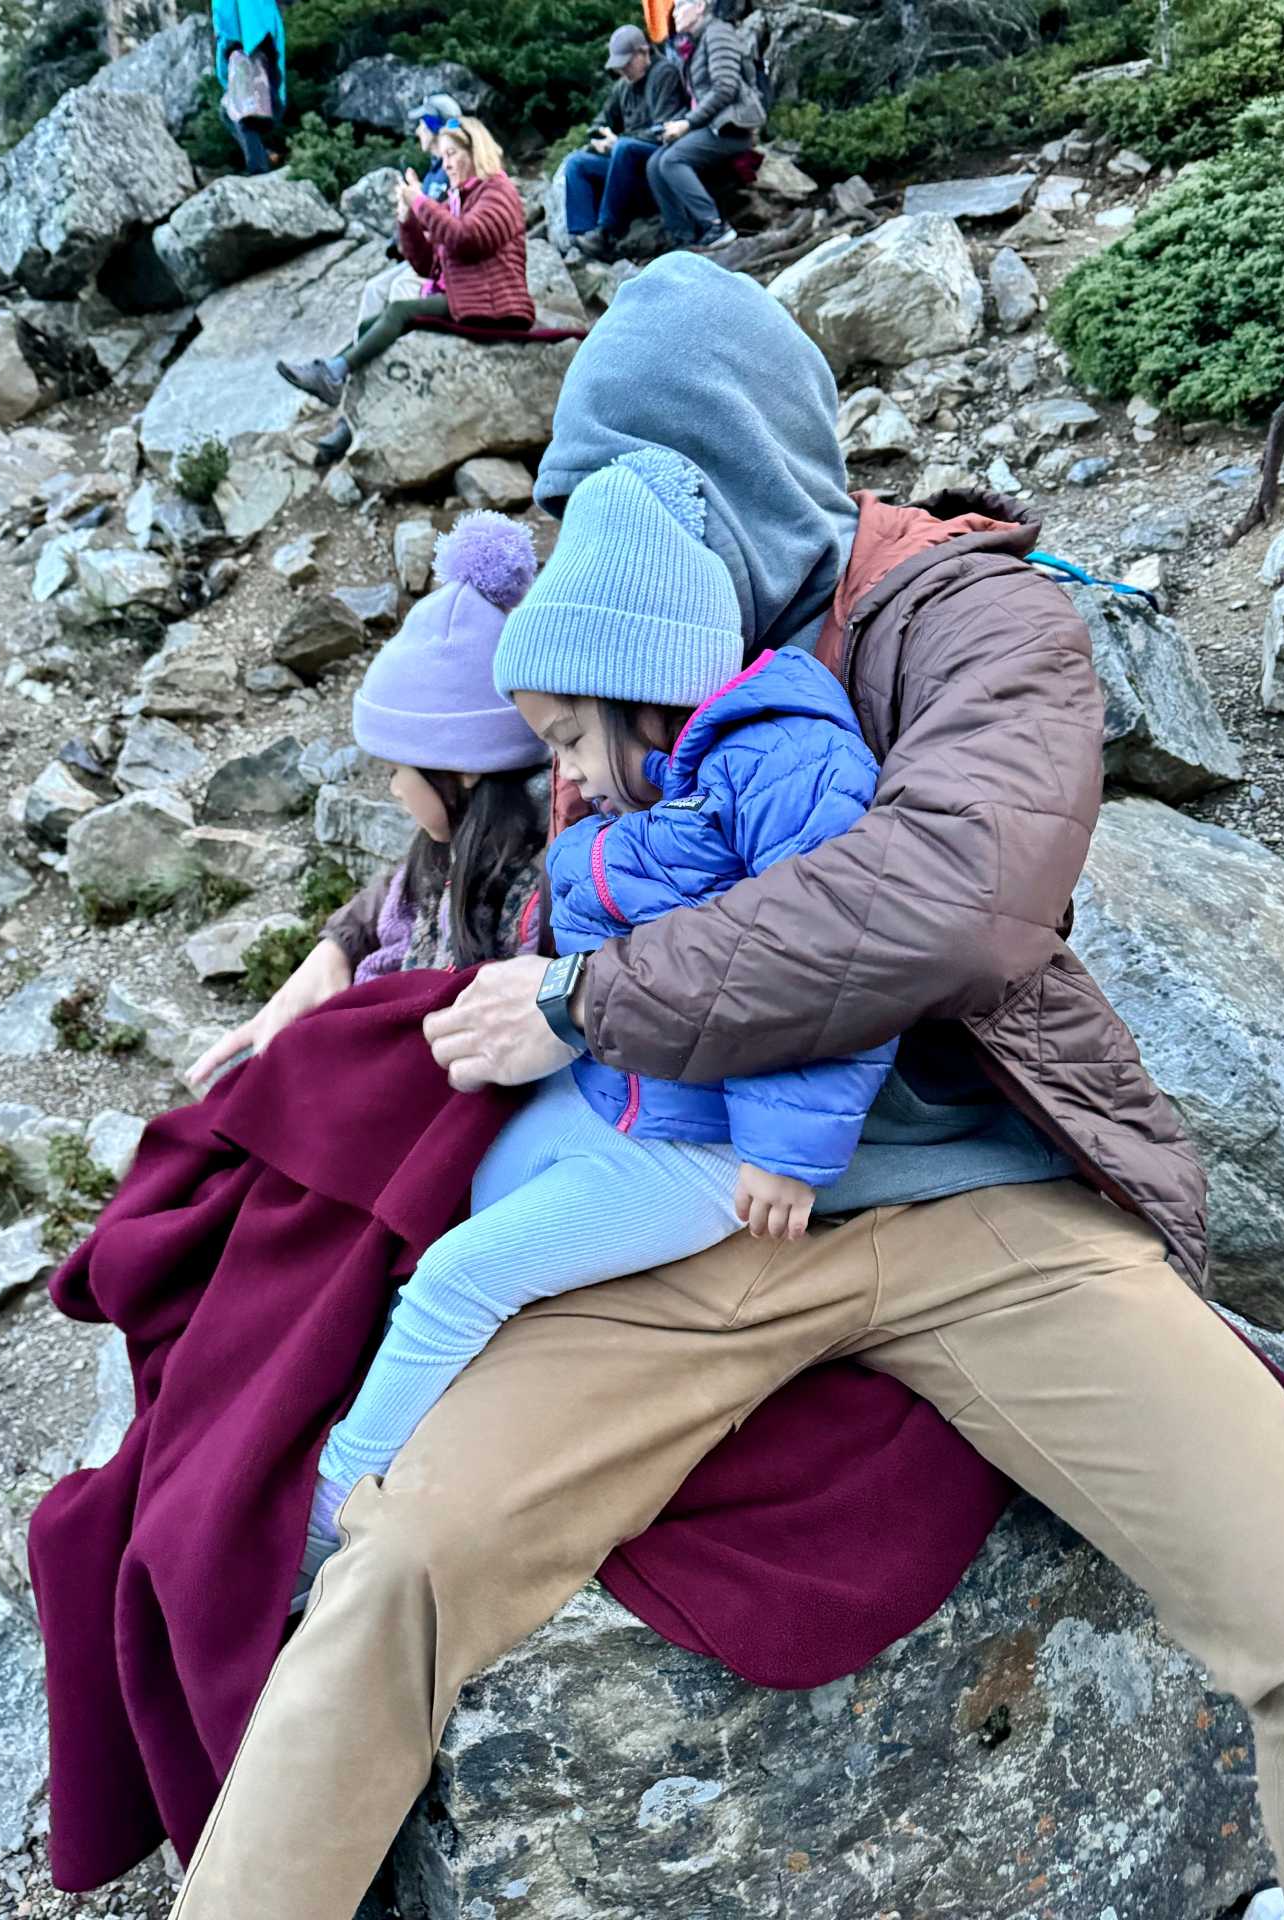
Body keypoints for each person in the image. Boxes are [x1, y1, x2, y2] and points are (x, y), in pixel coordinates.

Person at [169, 255, 1284, 1920]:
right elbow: (477, 819)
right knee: (398, 1569)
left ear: (748, 470)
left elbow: (951, 900)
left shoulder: (970, 613)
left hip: (971, 1195)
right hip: (682, 1204)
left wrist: (588, 998)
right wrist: (329, 970)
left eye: (630, 485)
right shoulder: (624, 627)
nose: (598, 521)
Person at [299, 446, 896, 1599]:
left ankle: (332, 1509)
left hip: (707, 1149)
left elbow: (836, 957)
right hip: (627, 1095)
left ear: (641, 681)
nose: (566, 771)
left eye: (569, 737)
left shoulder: (787, 762)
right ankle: (433, 1393)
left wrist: (785, 1150)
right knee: (463, 1197)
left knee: (462, 1274)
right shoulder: (676, 771)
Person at [187, 512, 548, 1097]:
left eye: (395, 770)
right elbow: (393, 889)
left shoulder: (547, 890)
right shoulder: (457, 851)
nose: (391, 789)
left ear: (462, 767)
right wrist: (339, 944)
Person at [275, 117, 533, 407]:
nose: (446, 164)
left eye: (453, 155)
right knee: (368, 327)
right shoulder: (458, 200)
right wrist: (407, 218)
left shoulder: (497, 191)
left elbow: (466, 239)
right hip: (468, 298)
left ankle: (333, 374)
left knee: (399, 310)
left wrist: (422, 203)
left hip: (494, 302)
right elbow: (427, 265)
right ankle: (346, 406)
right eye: (443, 156)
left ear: (475, 153)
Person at [561, 25, 686, 262]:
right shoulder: (623, 87)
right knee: (576, 162)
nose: (623, 70)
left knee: (624, 148)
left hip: (654, 168)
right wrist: (599, 138)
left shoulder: (664, 74)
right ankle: (580, 236)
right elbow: (600, 121)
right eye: (620, 66)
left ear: (644, 53)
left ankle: (607, 231)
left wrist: (619, 141)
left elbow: (664, 129)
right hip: (625, 166)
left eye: (627, 63)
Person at [648, 0, 765, 250]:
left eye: (679, 6)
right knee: (655, 163)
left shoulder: (718, 32)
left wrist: (687, 124)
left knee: (672, 160)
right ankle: (683, 236)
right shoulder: (696, 42)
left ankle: (715, 226)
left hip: (732, 127)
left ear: (699, 6)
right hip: (713, 126)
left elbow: (725, 88)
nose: (673, 13)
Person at [210, 0, 285, 177]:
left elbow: (227, 19)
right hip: (253, 47)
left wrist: (230, 51)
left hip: (246, 50)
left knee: (241, 114)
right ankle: (262, 155)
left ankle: (259, 168)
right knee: (232, 111)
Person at [409, 89, 462, 203]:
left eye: (421, 124)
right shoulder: (435, 170)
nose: (418, 131)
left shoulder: (454, 171)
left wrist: (417, 197)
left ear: (433, 126)